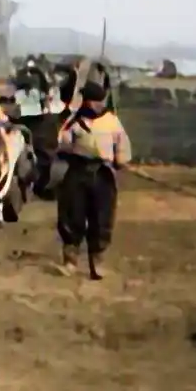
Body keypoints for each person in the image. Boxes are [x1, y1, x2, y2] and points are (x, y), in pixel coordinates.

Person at [54, 80, 132, 280]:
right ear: (87, 101)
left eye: (99, 101)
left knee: (101, 218)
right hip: (77, 172)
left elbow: (122, 144)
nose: (97, 105)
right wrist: (71, 151)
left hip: (102, 174)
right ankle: (70, 261)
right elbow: (63, 144)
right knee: (72, 215)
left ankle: (97, 263)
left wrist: (121, 160)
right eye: (92, 101)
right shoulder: (74, 121)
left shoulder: (111, 121)